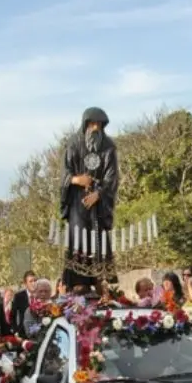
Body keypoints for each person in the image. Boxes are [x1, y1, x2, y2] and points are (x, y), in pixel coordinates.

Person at [60, 107, 119, 293]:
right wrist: (77, 180)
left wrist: (98, 194)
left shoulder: (109, 147)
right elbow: (65, 174)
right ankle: (78, 283)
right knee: (78, 241)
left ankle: (101, 281)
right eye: (92, 124)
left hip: (99, 206)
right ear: (85, 124)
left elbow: (112, 177)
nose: (95, 128)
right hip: (78, 203)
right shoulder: (73, 144)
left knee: (99, 241)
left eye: (99, 125)